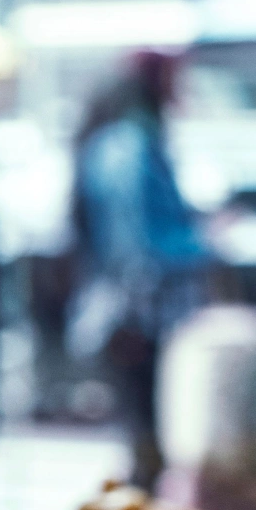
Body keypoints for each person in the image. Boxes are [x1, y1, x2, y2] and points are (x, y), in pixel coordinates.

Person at [70, 50, 209, 487]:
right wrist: (207, 240)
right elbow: (137, 244)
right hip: (139, 311)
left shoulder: (126, 139)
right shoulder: (129, 145)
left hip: (141, 308)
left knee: (145, 430)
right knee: (145, 431)